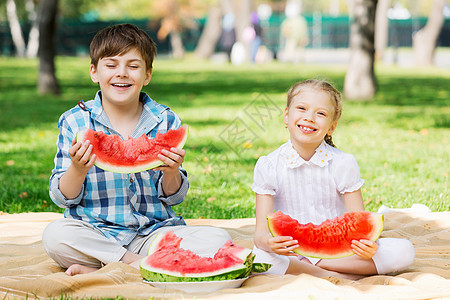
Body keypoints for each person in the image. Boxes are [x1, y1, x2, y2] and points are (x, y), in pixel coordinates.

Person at [42, 23, 231, 276]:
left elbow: (174, 197)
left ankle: (109, 267)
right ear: (94, 72)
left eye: (133, 66)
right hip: (97, 233)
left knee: (218, 238)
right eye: (111, 65)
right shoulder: (75, 121)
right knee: (55, 235)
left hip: (153, 234)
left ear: (147, 75)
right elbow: (61, 197)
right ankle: (138, 264)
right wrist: (77, 169)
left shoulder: (165, 120)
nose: (122, 73)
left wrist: (172, 172)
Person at [252, 79, 415, 279]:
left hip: (338, 254)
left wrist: (368, 247)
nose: (309, 117)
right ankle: (331, 274)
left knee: (404, 251)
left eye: (321, 113)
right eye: (302, 108)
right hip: (289, 252)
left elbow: (359, 224)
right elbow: (261, 233)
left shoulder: (343, 162)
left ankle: (310, 270)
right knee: (260, 257)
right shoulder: (268, 165)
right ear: (286, 116)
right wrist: (269, 243)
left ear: (331, 127)